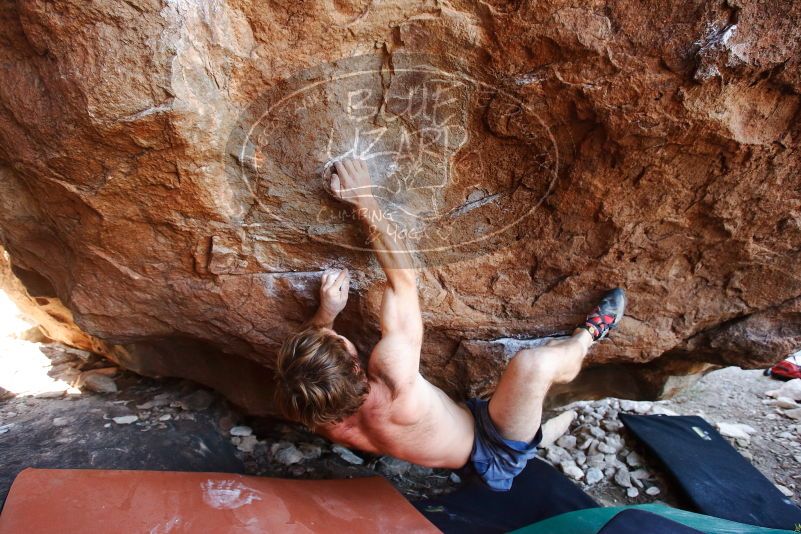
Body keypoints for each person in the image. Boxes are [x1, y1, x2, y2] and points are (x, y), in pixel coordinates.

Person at [274, 158, 626, 491]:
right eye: (338, 338)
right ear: (355, 365)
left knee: (547, 424)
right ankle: (589, 336)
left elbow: (308, 361)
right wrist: (364, 201)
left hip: (454, 443)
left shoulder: (315, 410)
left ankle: (550, 428)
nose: (333, 332)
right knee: (534, 365)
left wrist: (328, 312)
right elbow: (403, 280)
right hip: (493, 448)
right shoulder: (397, 384)